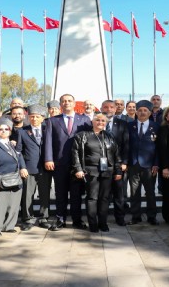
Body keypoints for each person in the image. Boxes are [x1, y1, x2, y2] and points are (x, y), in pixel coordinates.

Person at [44, 93, 92, 229]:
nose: (67, 103)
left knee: (77, 194)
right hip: (59, 163)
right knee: (61, 193)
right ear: (60, 104)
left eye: (69, 101)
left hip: (78, 164)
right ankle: (60, 219)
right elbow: (48, 141)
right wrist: (48, 158)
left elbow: (89, 141)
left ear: (74, 103)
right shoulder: (52, 121)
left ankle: (77, 220)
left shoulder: (84, 120)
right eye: (64, 101)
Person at [72, 114, 123, 232]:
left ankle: (103, 223)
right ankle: (93, 224)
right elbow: (75, 154)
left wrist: (118, 170)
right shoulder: (82, 135)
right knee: (92, 198)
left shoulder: (110, 136)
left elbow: (116, 155)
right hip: (91, 171)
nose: (100, 122)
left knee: (105, 198)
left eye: (103, 121)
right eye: (97, 120)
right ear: (92, 121)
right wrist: (78, 169)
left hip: (107, 171)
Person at [0, 118, 29, 236]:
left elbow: (20, 156)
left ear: (10, 130)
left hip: (15, 180)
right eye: (0, 129)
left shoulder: (12, 144)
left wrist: (23, 167)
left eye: (6, 129)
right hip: (0, 181)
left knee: (13, 205)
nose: (3, 131)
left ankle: (8, 226)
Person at [16, 105, 52, 230]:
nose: (34, 119)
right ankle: (27, 219)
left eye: (37, 117)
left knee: (44, 194)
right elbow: (18, 151)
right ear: (28, 117)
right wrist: (22, 167)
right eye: (32, 117)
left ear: (43, 118)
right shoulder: (22, 131)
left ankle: (43, 218)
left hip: (45, 168)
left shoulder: (48, 129)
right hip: (28, 168)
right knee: (27, 195)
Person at [127, 100, 160, 225]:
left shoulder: (156, 127)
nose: (142, 112)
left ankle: (152, 217)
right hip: (133, 164)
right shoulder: (130, 126)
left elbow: (159, 148)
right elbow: (126, 145)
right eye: (139, 110)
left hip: (149, 166)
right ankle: (136, 217)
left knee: (150, 192)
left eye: (145, 110)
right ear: (136, 112)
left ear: (150, 113)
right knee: (134, 193)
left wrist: (156, 164)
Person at [101, 100, 130, 226]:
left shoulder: (123, 124)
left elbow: (127, 144)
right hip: (101, 164)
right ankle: (102, 218)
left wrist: (124, 162)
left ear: (115, 109)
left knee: (119, 194)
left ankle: (120, 218)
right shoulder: (97, 122)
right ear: (102, 108)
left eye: (111, 107)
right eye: (106, 107)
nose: (108, 109)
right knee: (103, 193)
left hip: (118, 164)